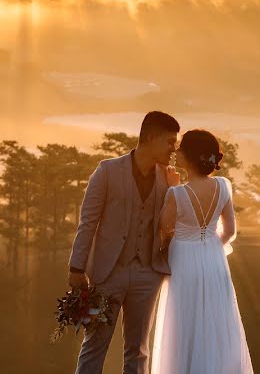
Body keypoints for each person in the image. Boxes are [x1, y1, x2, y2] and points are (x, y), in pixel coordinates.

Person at [68, 111, 181, 374]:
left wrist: (176, 191)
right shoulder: (107, 171)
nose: (173, 149)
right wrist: (76, 268)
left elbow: (170, 228)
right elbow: (88, 222)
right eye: (169, 142)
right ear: (151, 138)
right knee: (95, 345)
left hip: (148, 274)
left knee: (138, 350)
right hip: (108, 273)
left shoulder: (169, 178)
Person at [151, 129, 254, 374]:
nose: (176, 152)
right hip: (214, 260)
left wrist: (171, 188)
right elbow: (229, 231)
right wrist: (208, 246)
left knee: (183, 322)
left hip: (183, 261)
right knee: (215, 324)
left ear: (191, 156)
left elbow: (164, 230)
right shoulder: (223, 186)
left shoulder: (176, 193)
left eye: (181, 148)